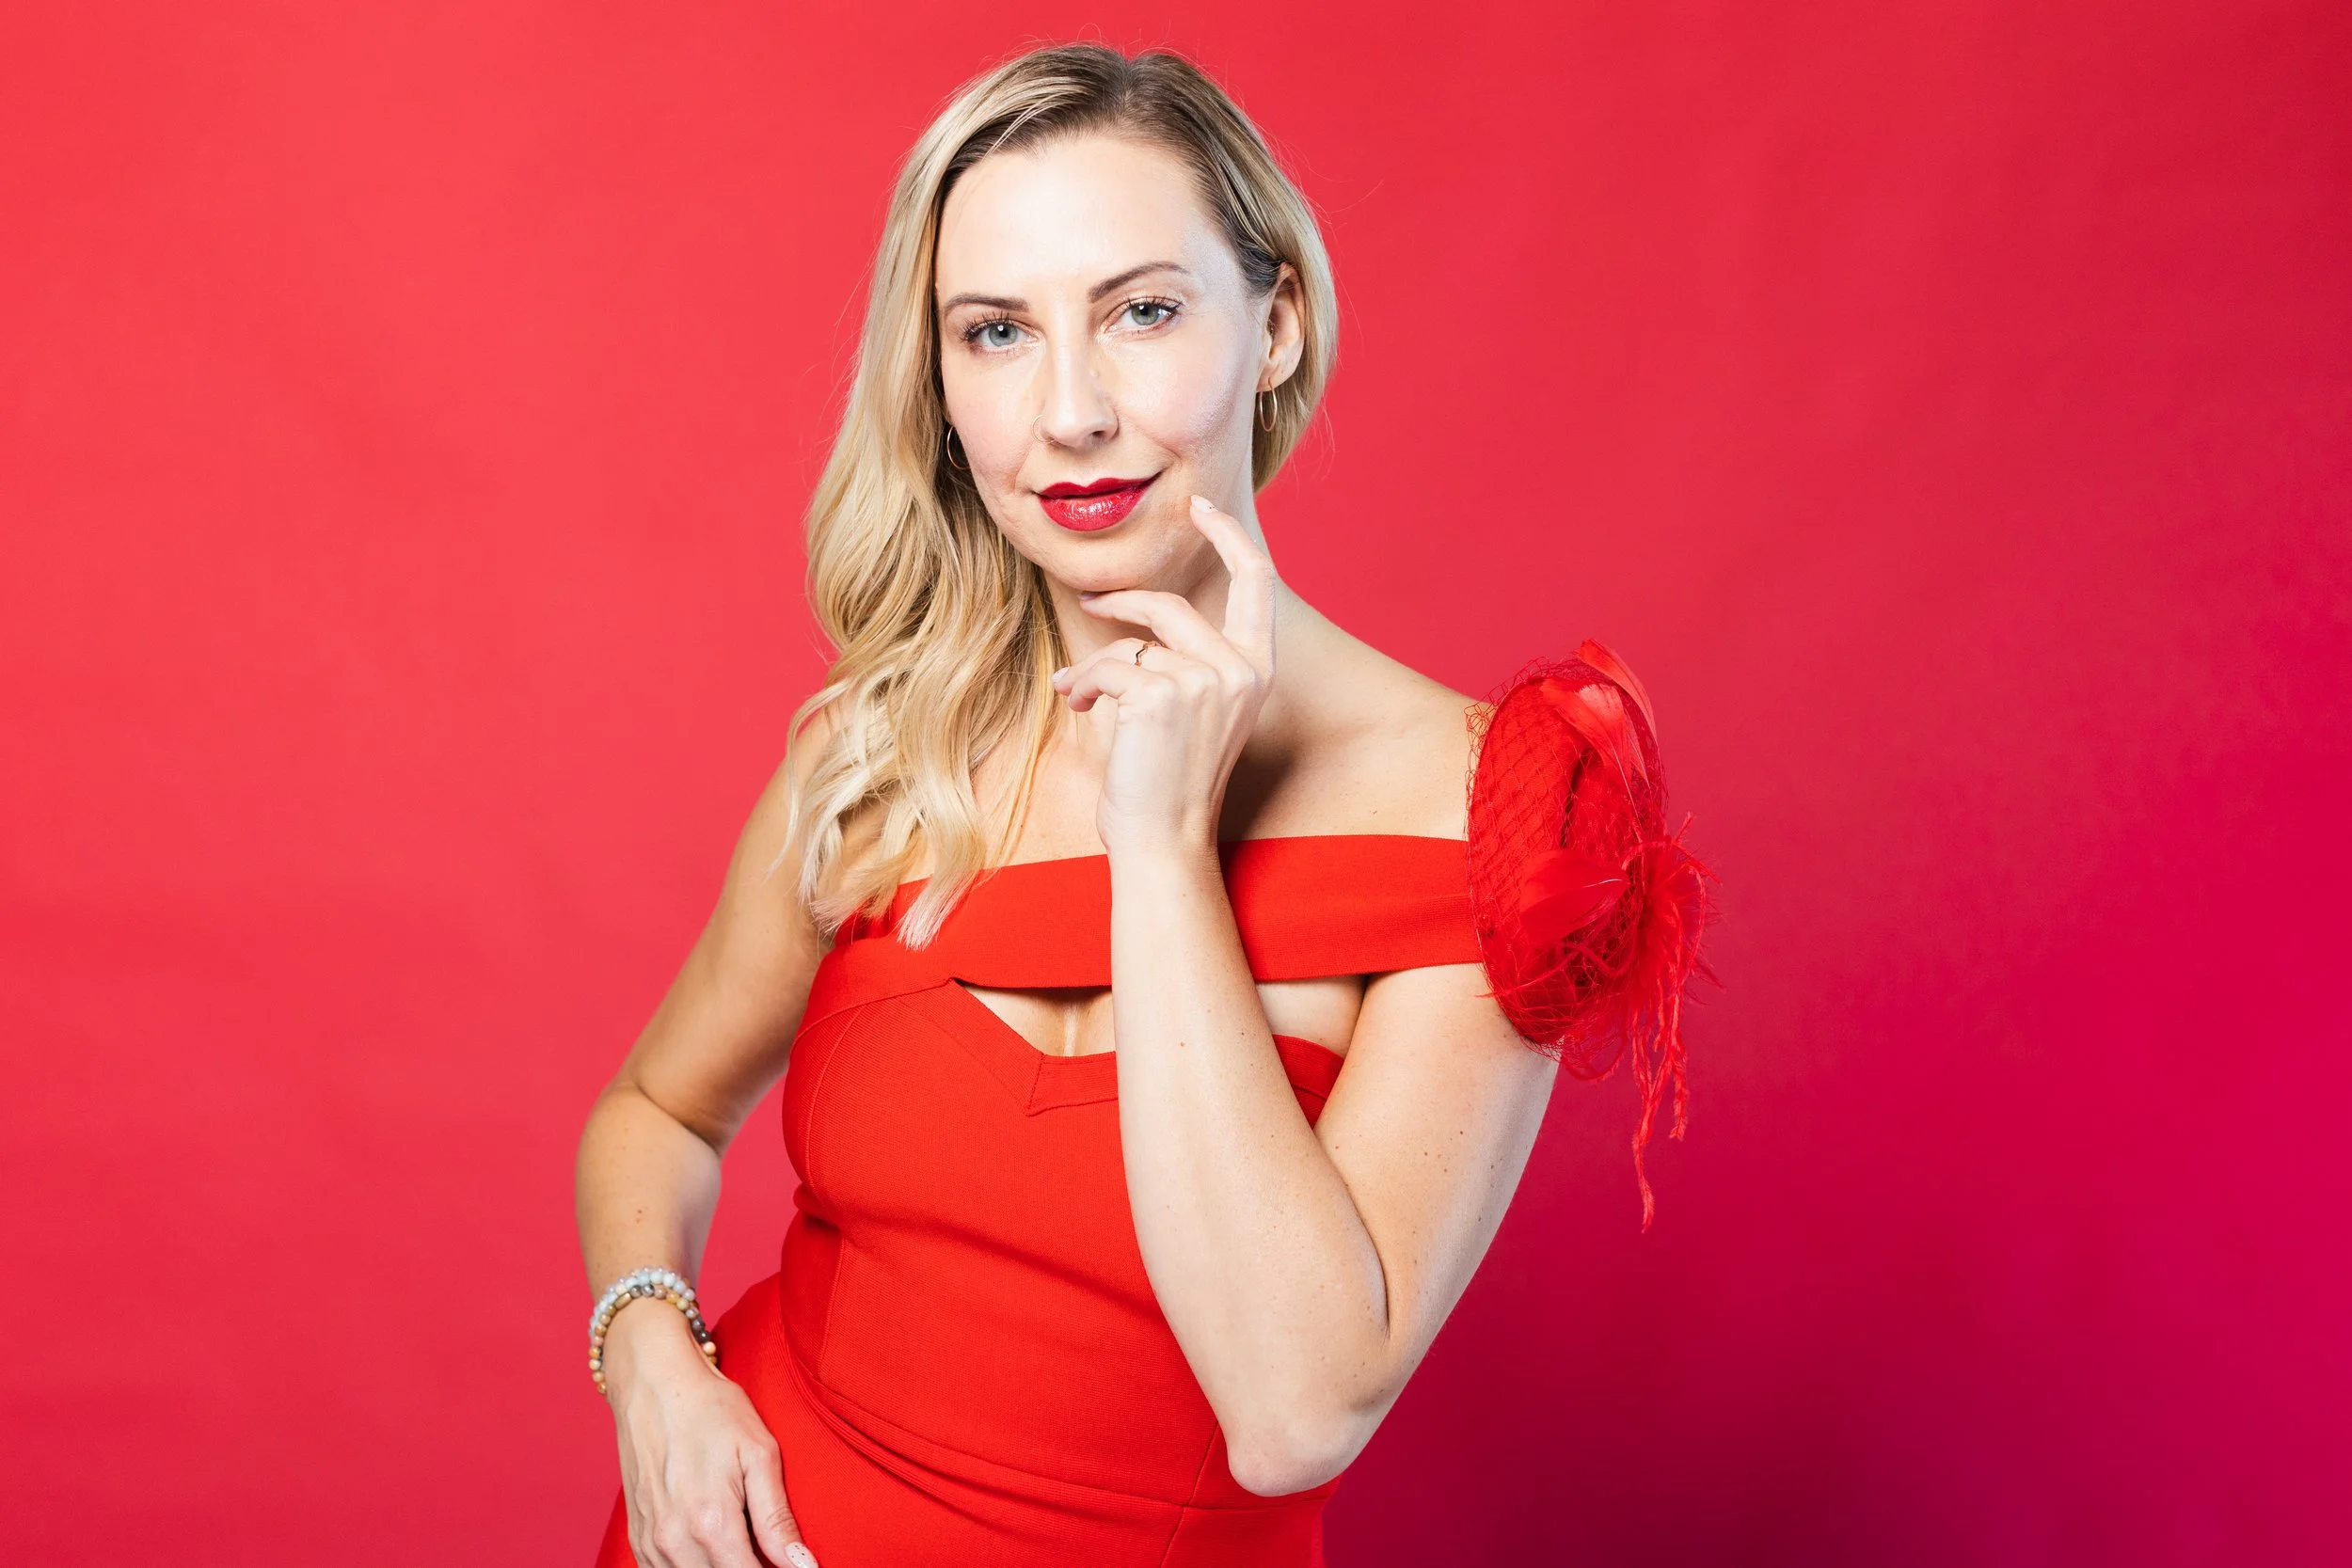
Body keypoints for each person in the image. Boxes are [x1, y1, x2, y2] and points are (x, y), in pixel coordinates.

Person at [574, 41, 1708, 1568]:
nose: (1071, 412)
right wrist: (651, 1356)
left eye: (1143, 312)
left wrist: (1164, 850)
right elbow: (654, 1111)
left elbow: (1296, 1409)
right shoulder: (884, 742)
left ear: (1277, 321)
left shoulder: (1493, 814)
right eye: (995, 333)